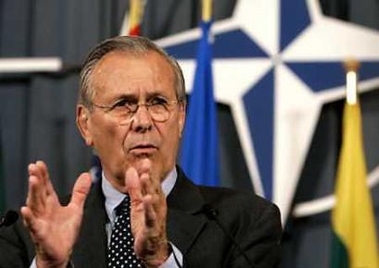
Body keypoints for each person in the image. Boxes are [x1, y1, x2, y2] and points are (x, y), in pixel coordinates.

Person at [0, 36, 282, 268]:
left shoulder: (244, 223)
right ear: (85, 125)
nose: (144, 121)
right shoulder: (26, 237)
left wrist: (161, 260)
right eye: (124, 104)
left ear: (181, 117)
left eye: (158, 102)